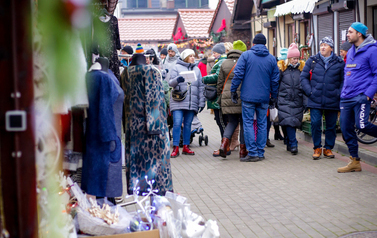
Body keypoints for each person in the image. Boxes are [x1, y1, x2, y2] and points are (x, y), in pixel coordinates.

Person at [230, 33, 280, 162]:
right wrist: (274, 96)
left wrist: (233, 90)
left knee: (248, 124)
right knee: (262, 124)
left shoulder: (246, 56)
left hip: (248, 97)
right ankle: (260, 151)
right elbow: (275, 80)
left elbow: (238, 74)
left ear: (252, 44)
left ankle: (252, 153)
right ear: (265, 44)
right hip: (264, 97)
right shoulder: (271, 59)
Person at [337, 22, 377, 173]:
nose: (347, 34)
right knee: (346, 129)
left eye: (350, 32)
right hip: (346, 97)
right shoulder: (352, 50)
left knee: (362, 125)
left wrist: (368, 94)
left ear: (359, 34)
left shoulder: (372, 50)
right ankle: (354, 161)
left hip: (361, 97)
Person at [300, 36, 345, 160]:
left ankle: (328, 148)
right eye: (321, 45)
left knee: (331, 125)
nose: (323, 47)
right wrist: (310, 91)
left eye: (325, 45)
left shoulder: (339, 62)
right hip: (315, 98)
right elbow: (303, 77)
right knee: (315, 123)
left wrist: (338, 93)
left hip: (332, 99)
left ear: (331, 47)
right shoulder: (312, 61)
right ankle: (317, 148)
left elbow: (344, 80)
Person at [169, 49, 205, 158]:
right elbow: (171, 83)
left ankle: (186, 146)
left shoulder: (197, 69)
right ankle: (175, 147)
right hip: (178, 101)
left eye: (194, 56)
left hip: (191, 102)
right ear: (185, 57)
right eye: (190, 56)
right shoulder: (176, 67)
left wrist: (201, 102)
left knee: (188, 125)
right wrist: (177, 80)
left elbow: (200, 86)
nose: (193, 58)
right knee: (177, 123)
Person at [216, 40, 248, 158]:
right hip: (242, 96)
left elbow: (220, 83)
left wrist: (221, 94)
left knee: (232, 122)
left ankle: (224, 144)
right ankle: (243, 150)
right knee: (244, 122)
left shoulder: (224, 63)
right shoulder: (245, 62)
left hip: (228, 96)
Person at [277, 43, 306, 155]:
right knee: (289, 121)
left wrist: (305, 101)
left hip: (297, 100)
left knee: (294, 122)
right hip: (285, 100)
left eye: (297, 58)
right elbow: (276, 84)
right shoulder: (282, 70)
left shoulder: (301, 70)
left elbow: (304, 85)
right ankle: (293, 144)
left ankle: (289, 142)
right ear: (289, 59)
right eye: (294, 58)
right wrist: (276, 98)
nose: (296, 61)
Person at [202, 43, 228, 157]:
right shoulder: (219, 61)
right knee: (220, 122)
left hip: (219, 97)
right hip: (219, 96)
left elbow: (217, 77)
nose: (213, 54)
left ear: (220, 52)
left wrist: (203, 78)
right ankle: (224, 146)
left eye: (215, 52)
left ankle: (224, 147)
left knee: (221, 122)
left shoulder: (221, 61)